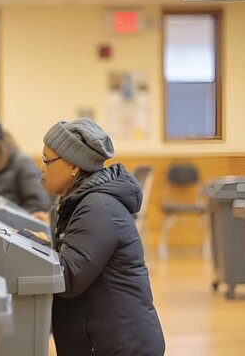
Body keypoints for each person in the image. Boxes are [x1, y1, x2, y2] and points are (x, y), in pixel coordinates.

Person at [41, 118, 165, 355]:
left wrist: (23, 249)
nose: (42, 168)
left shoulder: (98, 207)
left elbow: (68, 277)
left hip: (123, 346)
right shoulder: (79, 202)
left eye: (48, 161)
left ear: (74, 166)